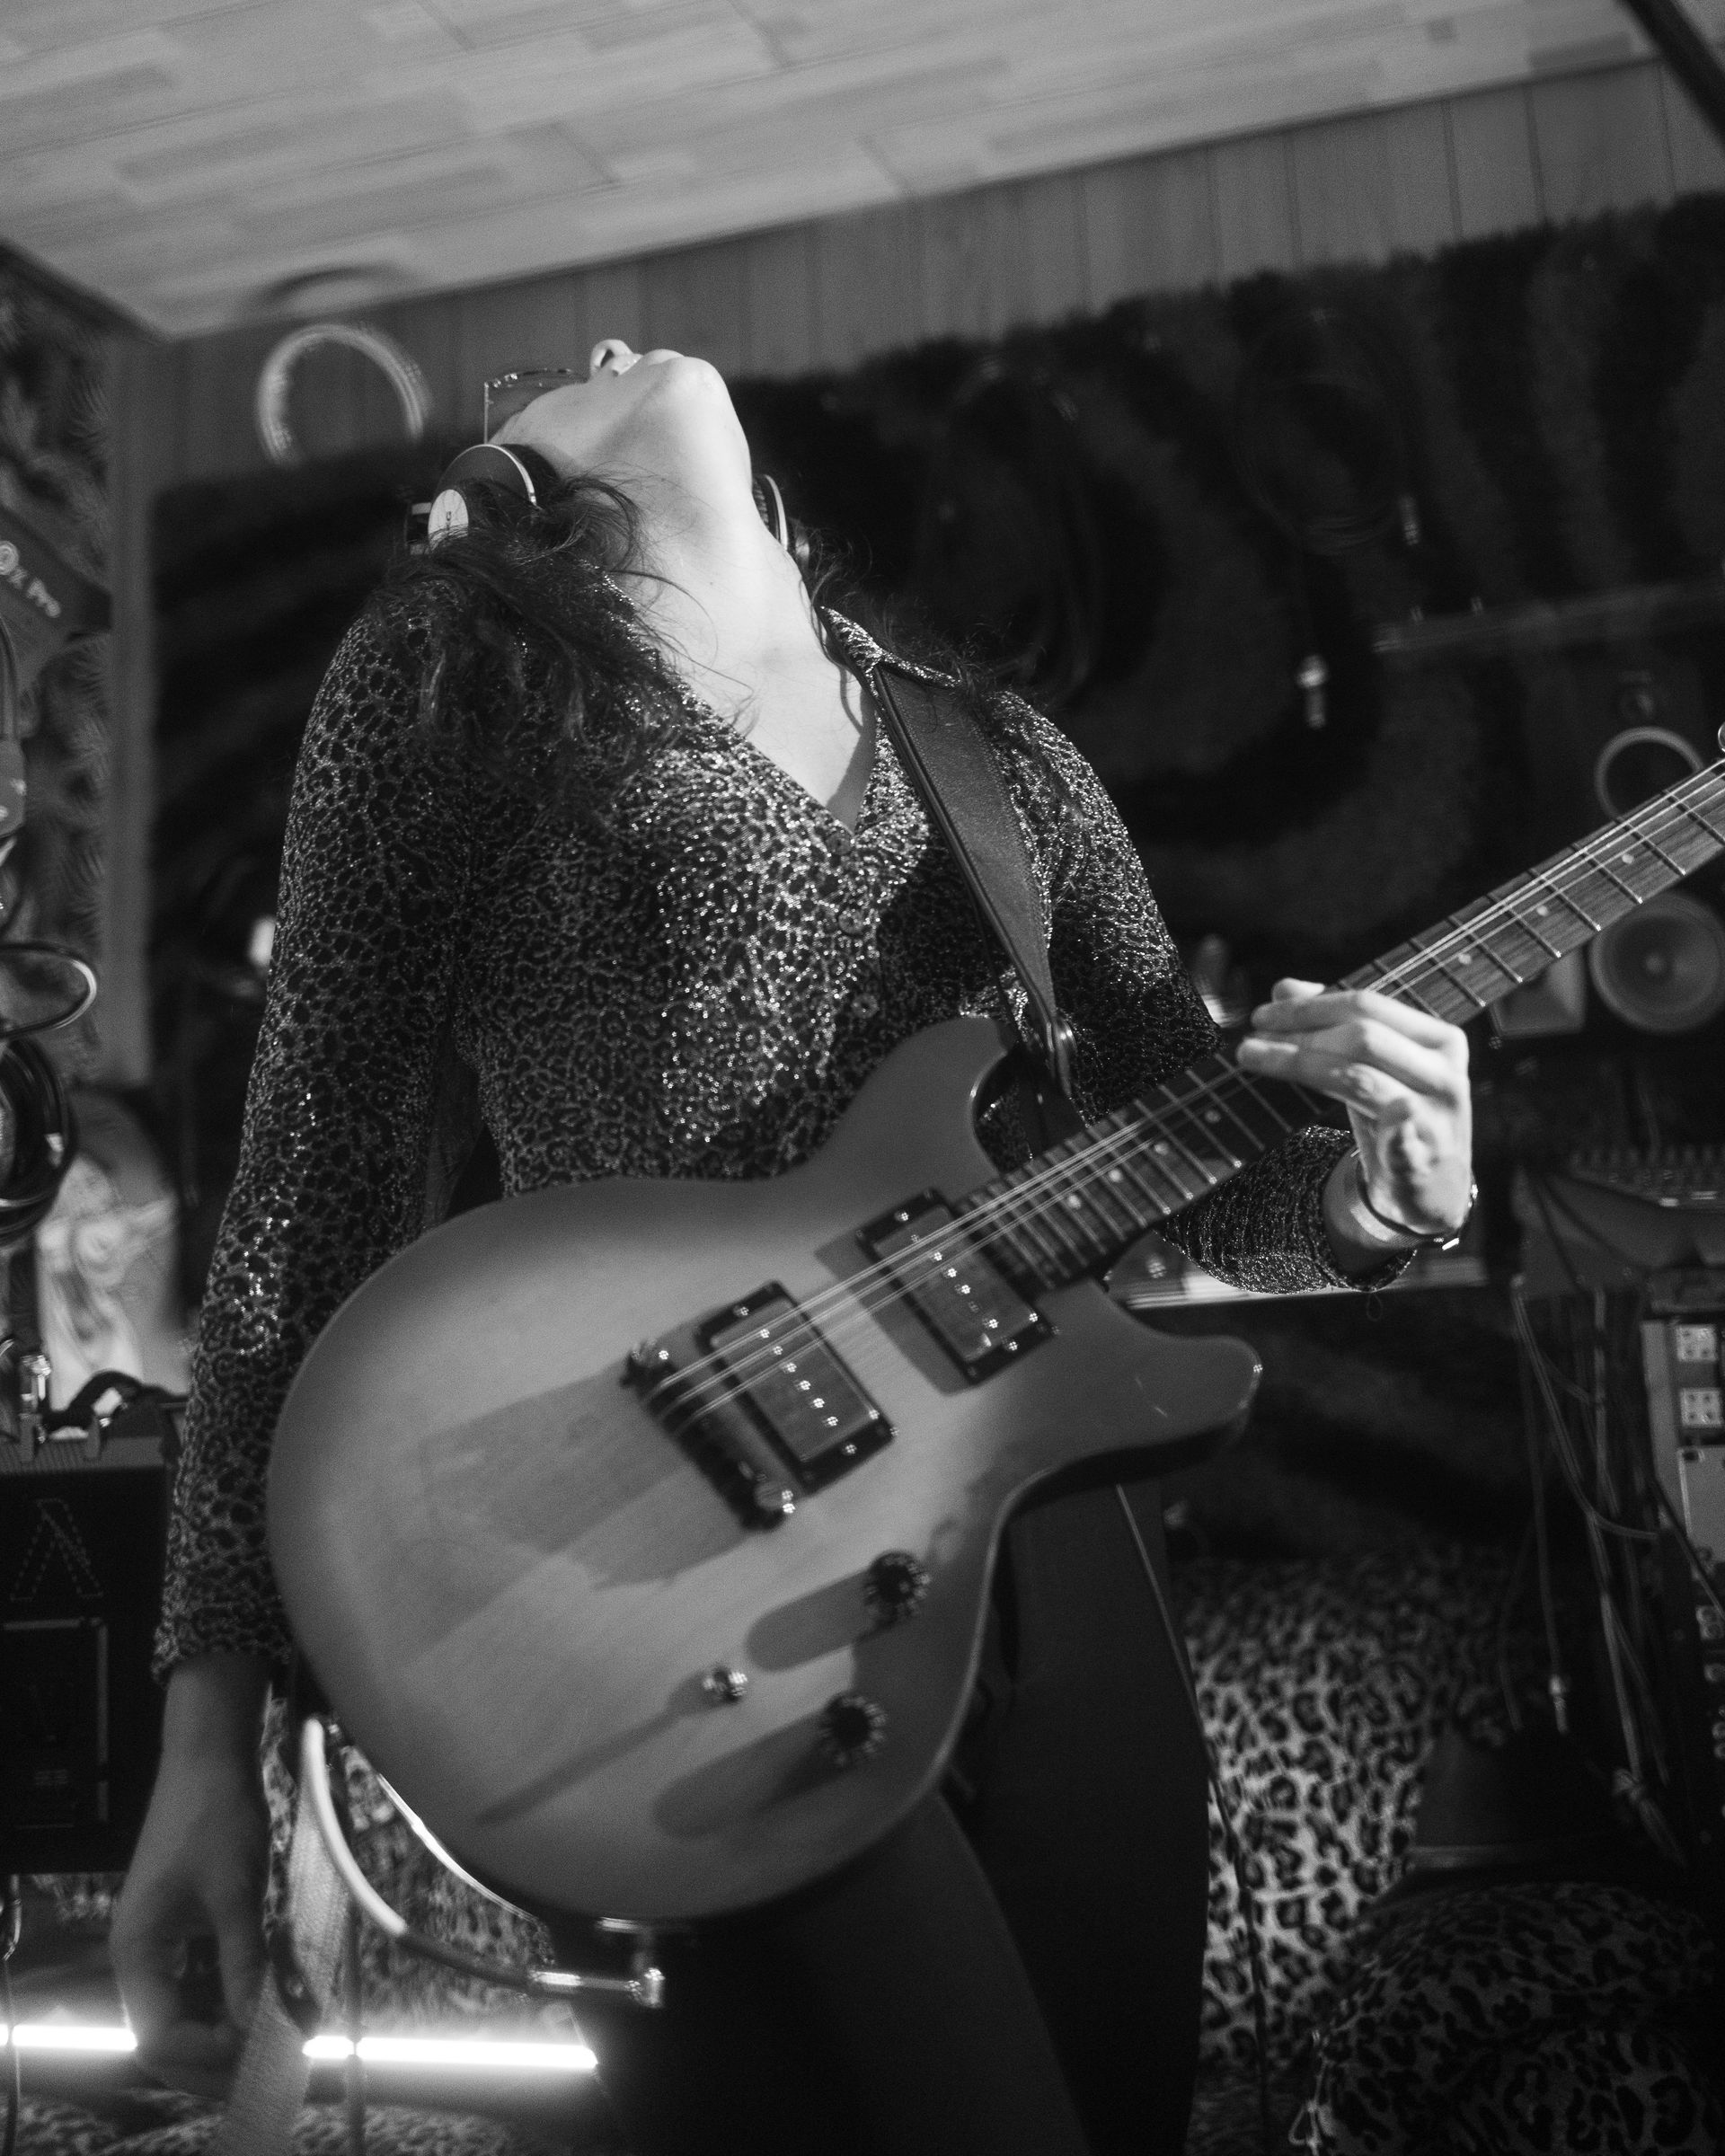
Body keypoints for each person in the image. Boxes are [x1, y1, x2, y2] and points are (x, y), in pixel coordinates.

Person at [110, 340, 1473, 2156]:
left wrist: (1376, 1203)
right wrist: (213, 1750)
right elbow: (305, 1198)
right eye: (526, 384)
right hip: (693, 1564)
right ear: (512, 509)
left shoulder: (1003, 761)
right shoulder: (454, 683)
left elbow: (1192, 1165)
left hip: (1048, 1568)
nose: (582, 348)